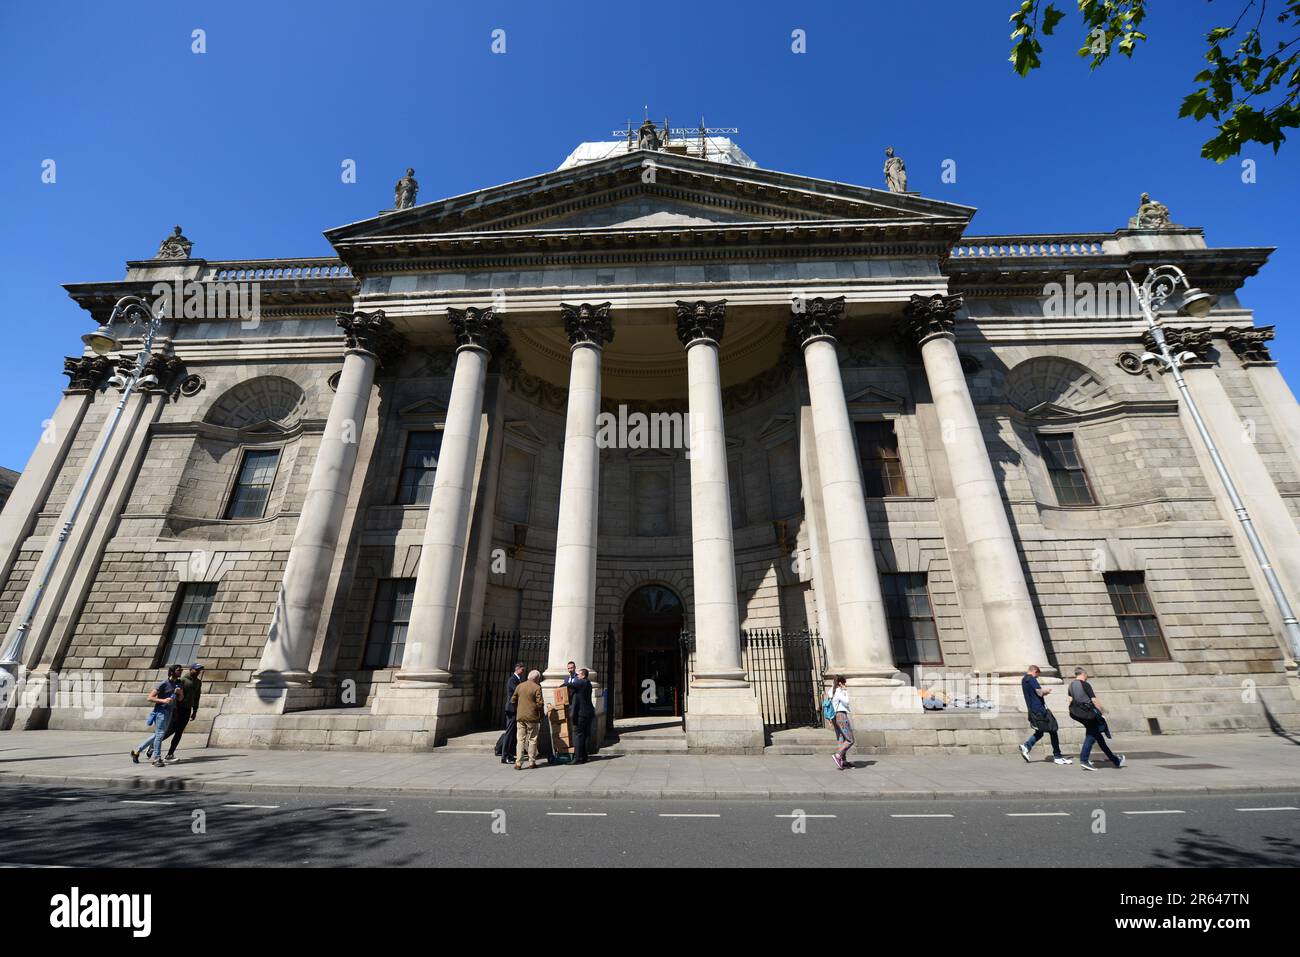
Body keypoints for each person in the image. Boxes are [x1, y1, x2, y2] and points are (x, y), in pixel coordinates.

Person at [1068, 666, 1126, 771]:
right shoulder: (1085, 684)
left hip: (1078, 714)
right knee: (1091, 736)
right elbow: (1094, 700)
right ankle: (1084, 760)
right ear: (1083, 674)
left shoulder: (1071, 685)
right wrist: (1101, 713)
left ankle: (1115, 760)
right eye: (1086, 674)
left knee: (1098, 737)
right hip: (1089, 715)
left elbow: (1070, 700)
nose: (1087, 676)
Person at [1018, 665, 1071, 765]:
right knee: (1053, 729)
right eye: (1038, 674)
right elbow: (1039, 693)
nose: (1038, 676)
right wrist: (1046, 691)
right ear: (1035, 671)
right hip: (1040, 710)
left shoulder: (1024, 679)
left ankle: (1026, 746)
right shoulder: (1032, 679)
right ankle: (1057, 756)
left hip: (1033, 710)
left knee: (1040, 731)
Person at [132, 666, 182, 768]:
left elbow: (180, 699)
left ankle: (137, 751)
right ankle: (157, 758)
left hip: (170, 712)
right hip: (161, 712)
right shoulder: (164, 683)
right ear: (172, 672)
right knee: (159, 735)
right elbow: (149, 698)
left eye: (181, 670)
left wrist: (180, 693)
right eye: (178, 670)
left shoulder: (179, 684)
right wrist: (163, 701)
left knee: (157, 735)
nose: (180, 672)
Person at [156, 663, 203, 762]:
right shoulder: (182, 680)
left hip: (187, 709)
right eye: (196, 669)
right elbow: (175, 696)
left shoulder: (198, 682)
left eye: (199, 670)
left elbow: (197, 697)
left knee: (179, 732)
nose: (198, 672)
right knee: (170, 730)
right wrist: (175, 710)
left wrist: (195, 710)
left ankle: (170, 754)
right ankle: (153, 745)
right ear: (191, 669)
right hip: (178, 709)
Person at [510, 669, 545, 770]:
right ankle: (531, 762)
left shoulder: (520, 686)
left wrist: (518, 709)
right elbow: (540, 704)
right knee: (532, 739)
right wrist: (541, 715)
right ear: (536, 678)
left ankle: (518, 763)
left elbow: (513, 700)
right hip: (532, 717)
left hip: (520, 717)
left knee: (520, 740)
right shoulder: (537, 687)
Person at [499, 663, 525, 765]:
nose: (523, 671)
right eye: (522, 669)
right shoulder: (512, 680)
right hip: (511, 709)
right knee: (509, 732)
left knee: (513, 732)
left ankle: (509, 753)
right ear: (517, 669)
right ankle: (504, 756)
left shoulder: (518, 679)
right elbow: (517, 691)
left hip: (515, 709)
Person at [569, 668, 595, 764]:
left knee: (578, 735)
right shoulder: (588, 683)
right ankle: (584, 756)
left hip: (582, 714)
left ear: (583, 675)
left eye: (578, 675)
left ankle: (577, 757)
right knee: (585, 735)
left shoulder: (582, 683)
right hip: (589, 713)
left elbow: (569, 684)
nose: (577, 677)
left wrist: (562, 685)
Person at [830, 675, 854, 769]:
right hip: (841, 715)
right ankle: (838, 755)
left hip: (834, 716)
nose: (845, 685)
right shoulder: (839, 691)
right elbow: (846, 701)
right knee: (850, 740)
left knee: (841, 739)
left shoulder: (831, 690)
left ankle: (843, 761)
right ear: (840, 683)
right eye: (844, 683)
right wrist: (845, 690)